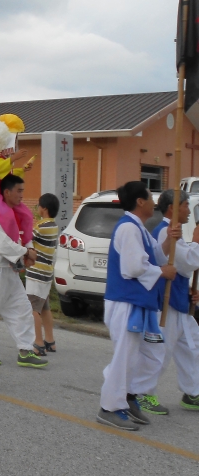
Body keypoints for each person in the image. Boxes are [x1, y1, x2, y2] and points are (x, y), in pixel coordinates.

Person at [97, 181, 179, 431]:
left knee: (153, 354)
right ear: (140, 202)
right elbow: (133, 267)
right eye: (150, 198)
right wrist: (162, 272)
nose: (154, 202)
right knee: (125, 356)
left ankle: (130, 395)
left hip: (139, 303)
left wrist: (169, 241)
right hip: (126, 302)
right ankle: (109, 407)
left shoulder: (139, 228)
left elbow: (155, 254)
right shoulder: (128, 229)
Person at [129, 189, 199, 415]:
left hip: (179, 300)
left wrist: (189, 289)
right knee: (160, 351)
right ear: (173, 207)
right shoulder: (164, 232)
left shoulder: (174, 231)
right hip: (165, 304)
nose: (189, 210)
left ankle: (192, 392)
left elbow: (183, 268)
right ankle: (143, 393)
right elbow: (187, 261)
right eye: (186, 205)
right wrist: (197, 243)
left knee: (193, 347)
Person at [0, 174, 47, 368]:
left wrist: (29, 251)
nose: (22, 195)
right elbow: (2, 245)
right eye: (19, 191)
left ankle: (25, 349)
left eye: (23, 190)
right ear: (6, 192)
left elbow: (24, 237)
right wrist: (26, 252)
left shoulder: (17, 214)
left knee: (22, 309)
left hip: (11, 271)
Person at [26, 193, 60, 356]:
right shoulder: (53, 226)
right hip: (46, 274)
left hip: (36, 273)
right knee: (45, 307)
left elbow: (26, 238)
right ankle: (50, 341)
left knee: (33, 309)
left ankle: (38, 343)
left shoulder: (41, 227)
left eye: (39, 205)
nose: (37, 208)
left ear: (44, 208)